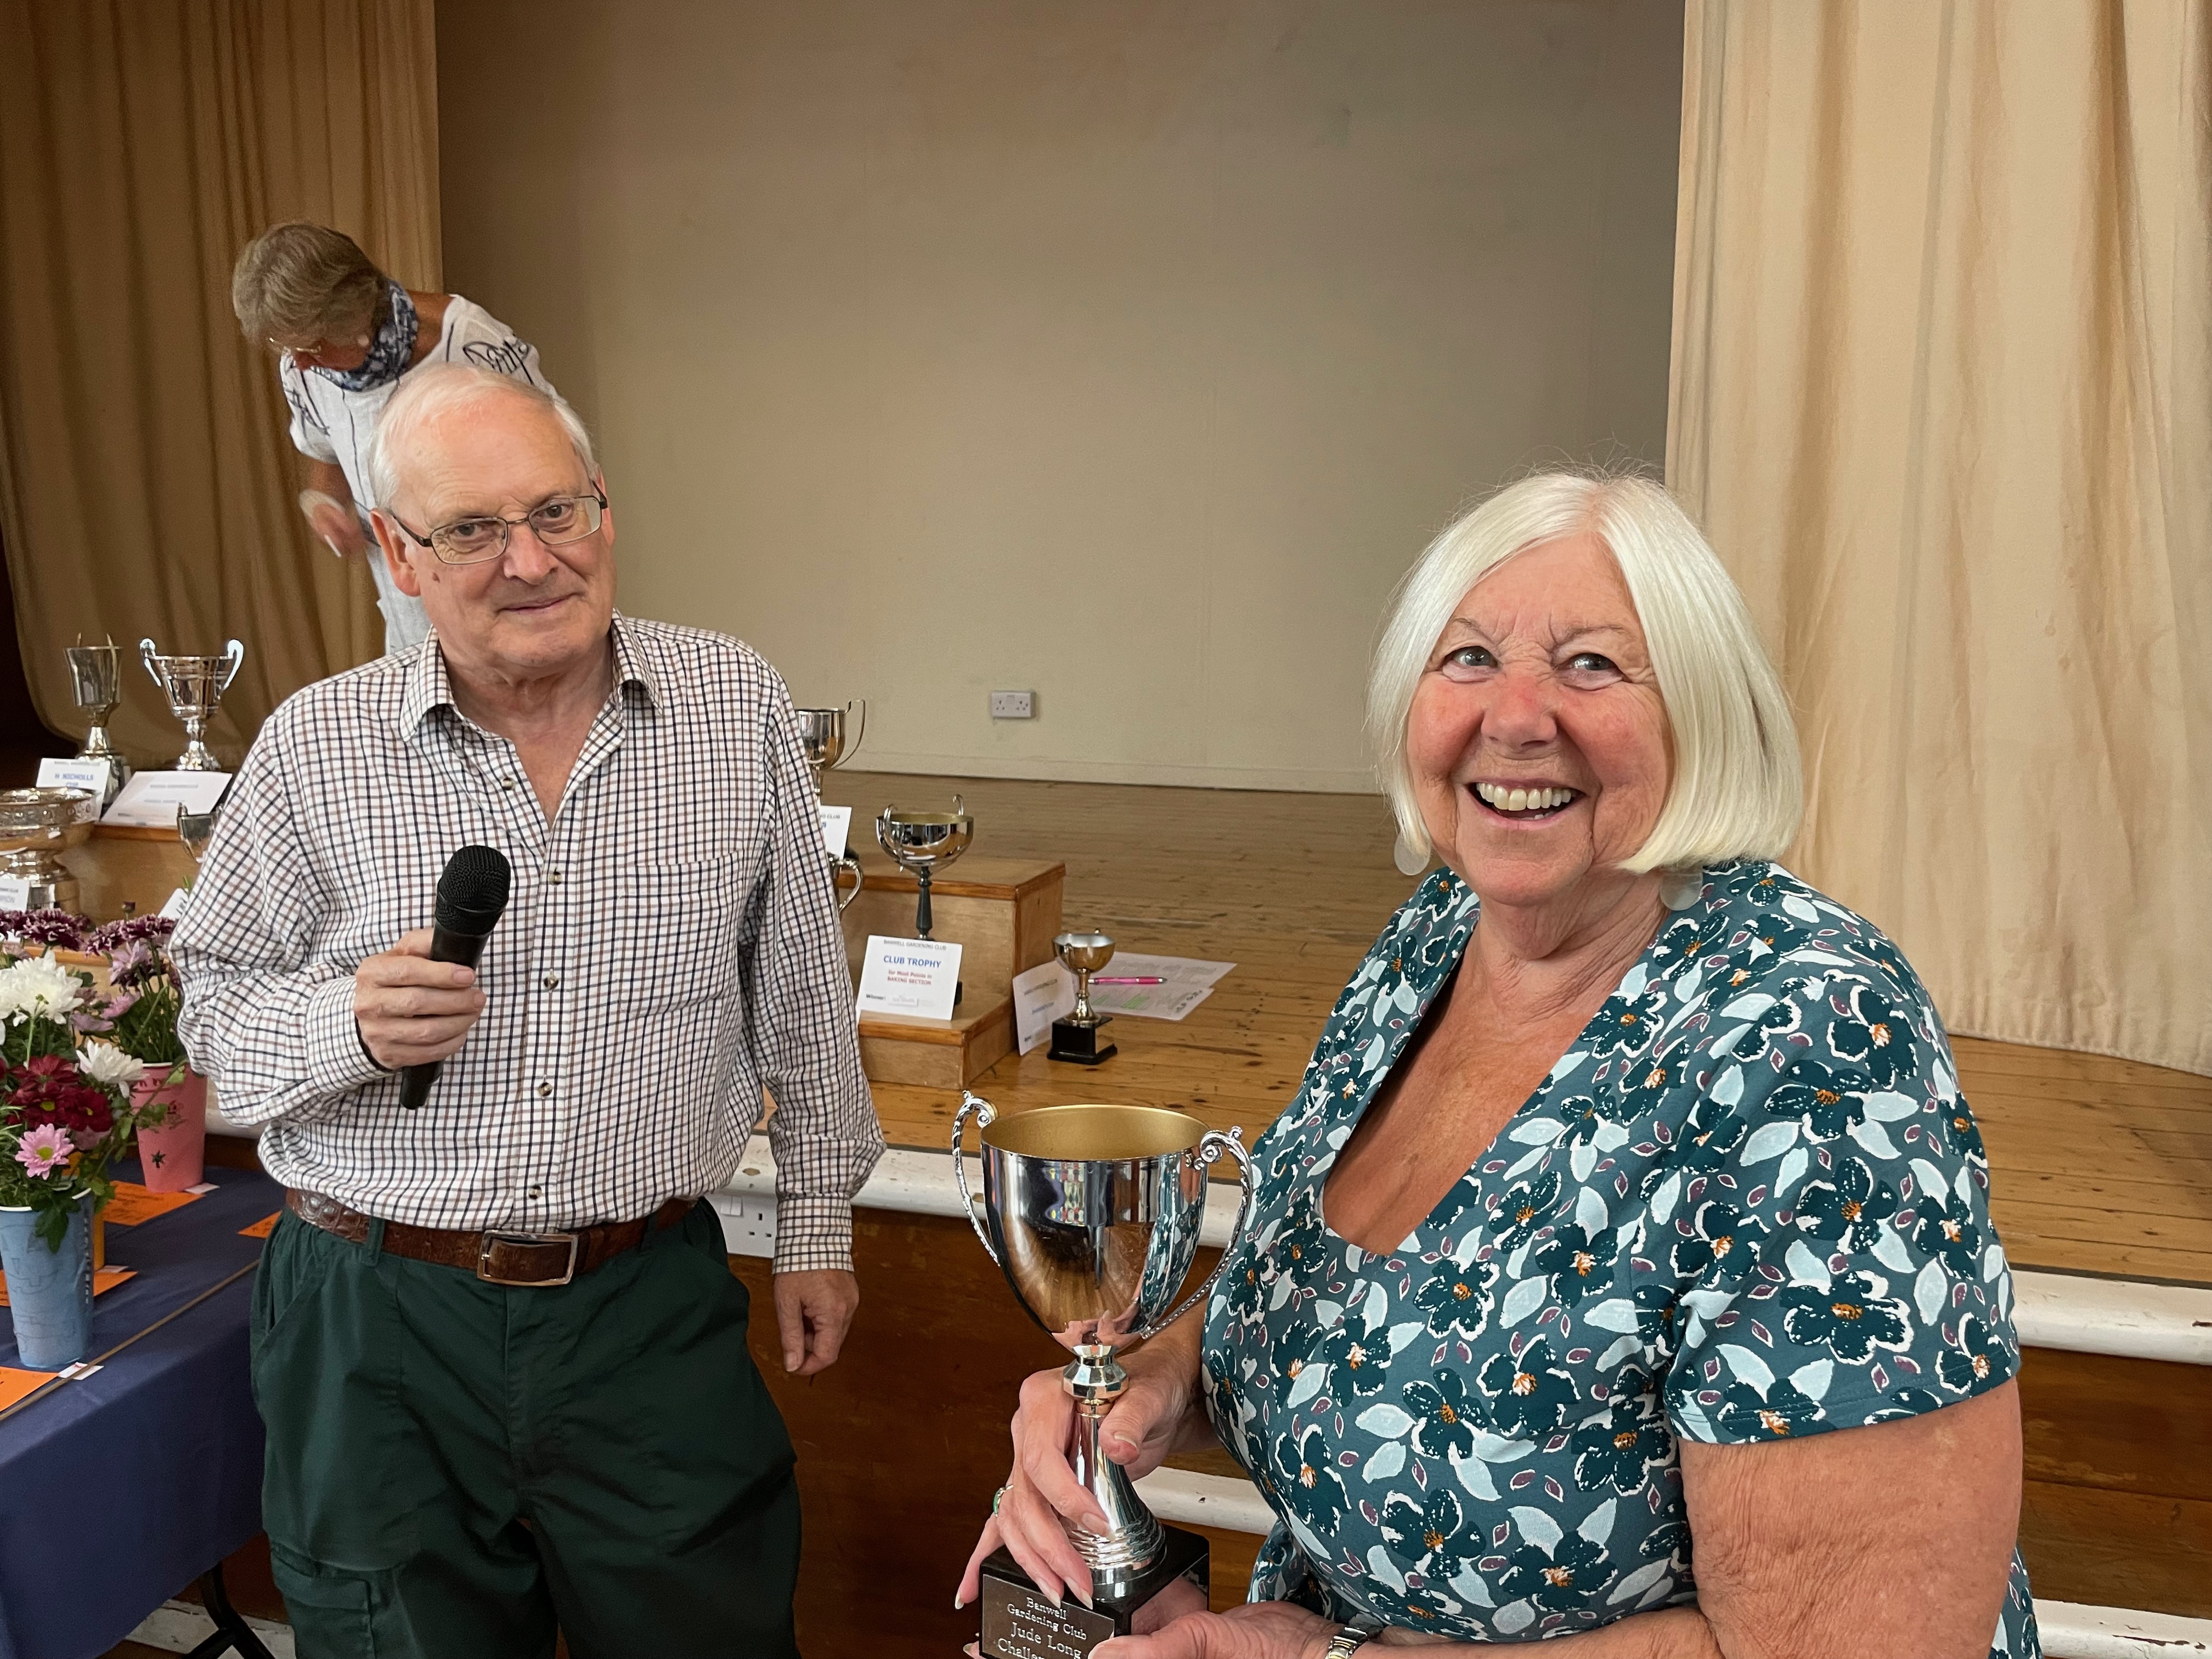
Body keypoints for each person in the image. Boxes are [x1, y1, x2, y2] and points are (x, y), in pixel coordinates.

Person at [961, 471, 2039, 1658]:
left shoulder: (1813, 1042)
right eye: (1469, 657)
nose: (1517, 715)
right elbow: (1360, 1297)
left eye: (1592, 664)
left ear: (1702, 711)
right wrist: (1153, 1381)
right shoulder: (1438, 935)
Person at [173, 364, 882, 1658]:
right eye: (471, 530)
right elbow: (205, 1010)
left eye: (556, 511)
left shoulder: (733, 708)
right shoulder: (314, 748)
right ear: (396, 552)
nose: (532, 561)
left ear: (603, 507)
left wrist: (817, 1222)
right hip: (376, 1323)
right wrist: (346, 1027)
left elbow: (800, 991)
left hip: (646, 1305)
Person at [230, 222, 559, 655]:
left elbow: (555, 455)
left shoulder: (469, 344)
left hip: (505, 598)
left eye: (314, 345)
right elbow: (327, 451)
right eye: (287, 347)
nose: (302, 363)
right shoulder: (302, 371)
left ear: (352, 317)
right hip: (409, 617)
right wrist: (324, 503)